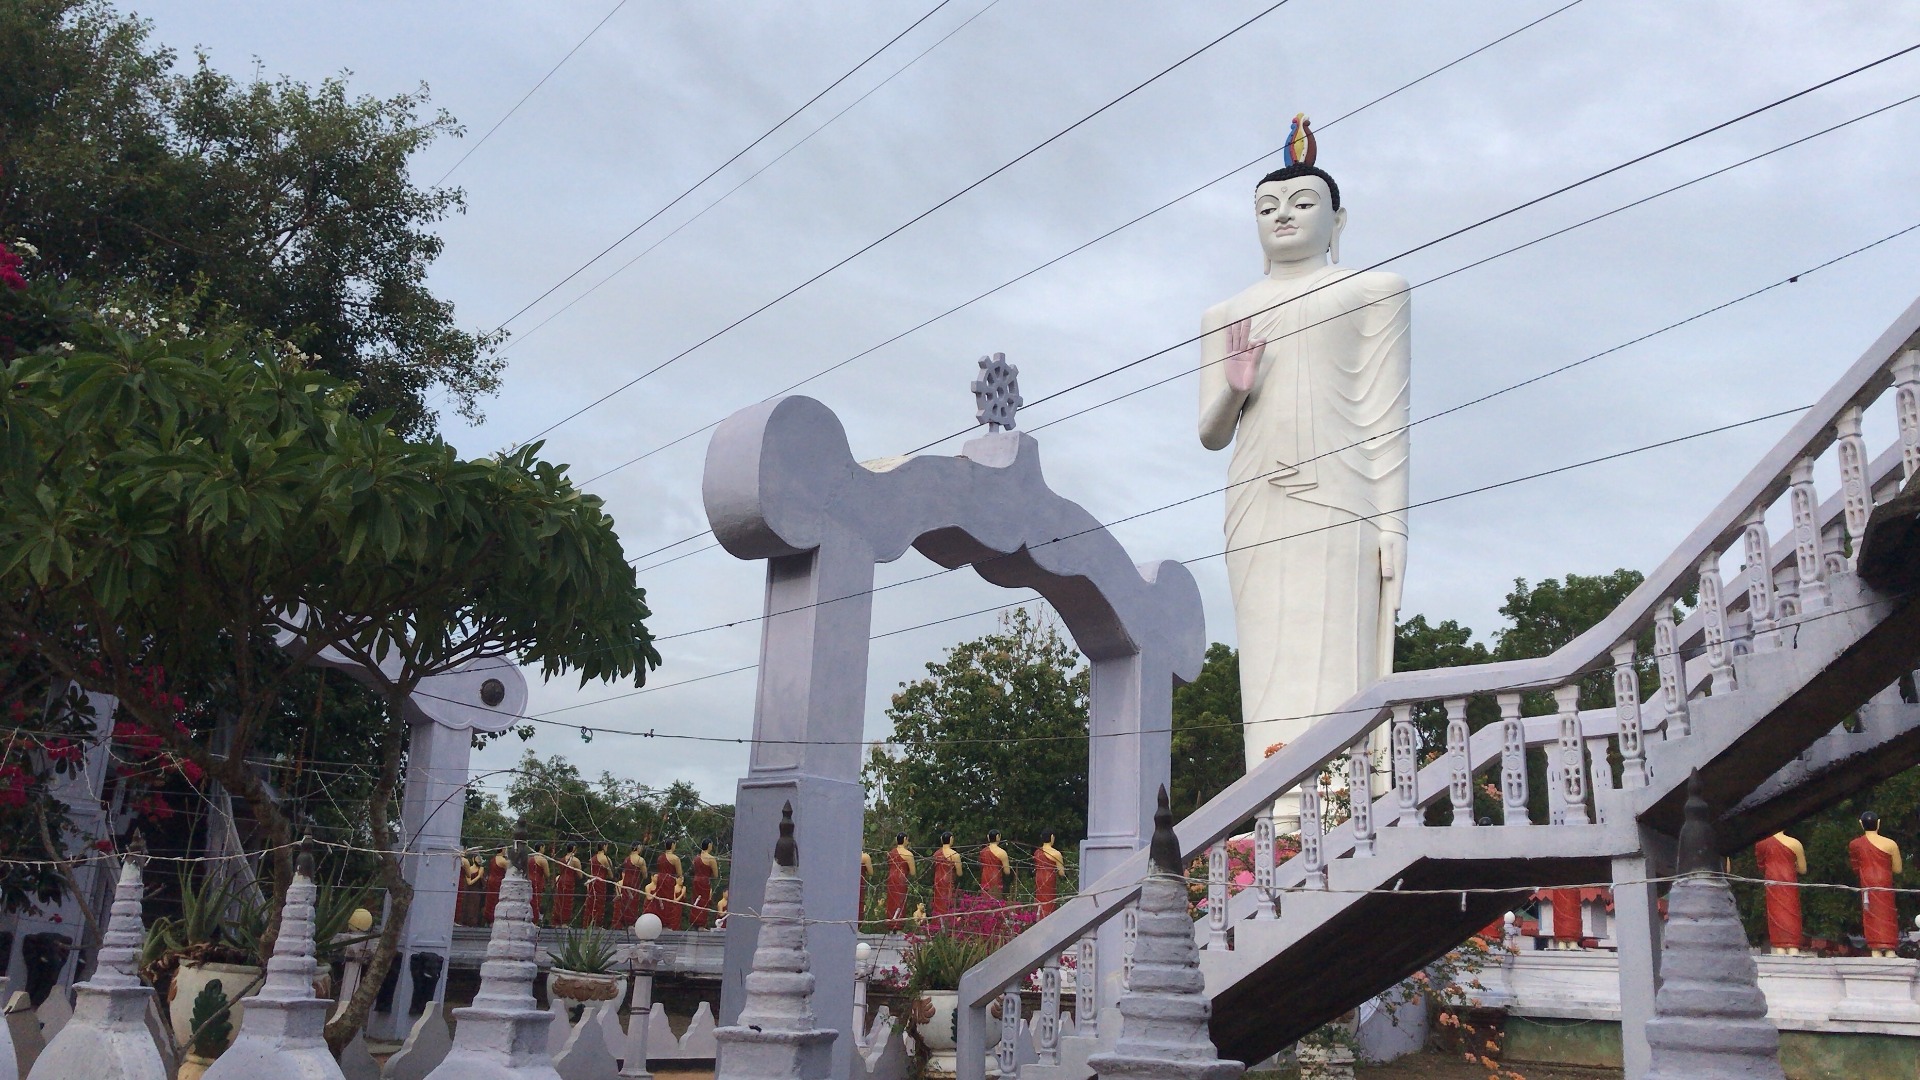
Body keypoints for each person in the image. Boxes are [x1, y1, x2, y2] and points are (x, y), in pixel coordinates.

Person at [1197, 115, 1409, 829]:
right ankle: (1274, 820)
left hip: (1341, 496)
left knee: (1333, 657)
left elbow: (1388, 417)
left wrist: (1393, 524)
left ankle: (1342, 811)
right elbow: (1210, 432)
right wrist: (1234, 381)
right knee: (1267, 663)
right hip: (1256, 499)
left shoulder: (1374, 291)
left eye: (1301, 203)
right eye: (1266, 208)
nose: (1282, 216)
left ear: (1337, 218)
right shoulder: (1225, 312)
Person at [1849, 811, 1903, 956]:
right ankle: (1890, 949)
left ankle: (1875, 950)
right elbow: (1897, 869)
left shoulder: (1855, 844)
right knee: (1887, 914)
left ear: (1861, 824)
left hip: (1867, 882)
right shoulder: (1890, 844)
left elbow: (1855, 867)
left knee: (1871, 914)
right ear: (1878, 823)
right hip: (1884, 881)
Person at [1754, 831, 1807, 955]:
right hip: (1789, 881)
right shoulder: (1795, 843)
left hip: (1772, 880)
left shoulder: (1761, 844)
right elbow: (1802, 869)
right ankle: (1793, 948)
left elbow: (1761, 866)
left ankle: (1780, 949)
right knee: (1791, 913)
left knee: (1776, 914)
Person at [688, 839, 719, 929]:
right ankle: (701, 924)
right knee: (703, 902)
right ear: (709, 845)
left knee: (696, 901)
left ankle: (694, 922)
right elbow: (716, 874)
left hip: (696, 880)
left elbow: (694, 869)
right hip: (705, 881)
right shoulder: (711, 858)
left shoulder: (696, 858)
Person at [614, 843, 647, 928]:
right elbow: (645, 875)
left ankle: (624, 922)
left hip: (626, 882)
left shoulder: (626, 859)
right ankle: (631, 922)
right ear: (637, 848)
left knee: (625, 902)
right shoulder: (640, 860)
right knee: (633, 903)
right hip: (634, 882)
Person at [886, 833, 915, 928]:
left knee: (892, 901)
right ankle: (897, 925)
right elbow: (913, 872)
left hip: (891, 878)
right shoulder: (908, 854)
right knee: (900, 901)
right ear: (905, 839)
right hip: (901, 878)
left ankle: (891, 923)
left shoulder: (890, 853)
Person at [932, 832, 962, 919]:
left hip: (938, 880)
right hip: (948, 880)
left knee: (939, 902)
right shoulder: (955, 854)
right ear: (951, 839)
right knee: (948, 901)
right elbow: (959, 873)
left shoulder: (936, 854)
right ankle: (947, 922)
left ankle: (937, 923)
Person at [1034, 832, 1065, 916]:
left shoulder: (1037, 852)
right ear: (1051, 837)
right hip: (1049, 878)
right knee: (1049, 901)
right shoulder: (1056, 853)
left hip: (1039, 877)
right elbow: (1061, 872)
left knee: (1039, 900)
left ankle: (1039, 916)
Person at [584, 843, 613, 927]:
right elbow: (610, 875)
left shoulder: (592, 859)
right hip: (600, 882)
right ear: (604, 847)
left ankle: (588, 923)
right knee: (599, 902)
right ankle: (597, 924)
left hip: (592, 882)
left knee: (591, 902)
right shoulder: (605, 859)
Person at [552, 844, 581, 926]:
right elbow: (580, 875)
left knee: (560, 901)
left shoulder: (562, 859)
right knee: (567, 901)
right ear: (574, 849)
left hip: (561, 880)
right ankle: (564, 922)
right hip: (569, 881)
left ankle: (557, 921)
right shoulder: (575, 860)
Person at [980, 831, 1011, 900]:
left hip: (985, 876)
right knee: (996, 899)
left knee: (985, 900)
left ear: (988, 837)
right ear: (998, 837)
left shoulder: (983, 851)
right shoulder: (1002, 853)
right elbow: (1007, 871)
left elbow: (981, 865)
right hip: (995, 876)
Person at [481, 847, 508, 924]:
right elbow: (509, 872)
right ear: (502, 849)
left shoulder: (493, 859)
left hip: (491, 880)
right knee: (496, 899)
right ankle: (494, 918)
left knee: (490, 900)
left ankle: (488, 918)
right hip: (498, 881)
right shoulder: (503, 861)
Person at [526, 843, 551, 926]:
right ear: (541, 848)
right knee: (536, 901)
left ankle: (528, 918)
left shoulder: (529, 859)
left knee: (529, 900)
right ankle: (534, 921)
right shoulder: (542, 860)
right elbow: (547, 874)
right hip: (537, 881)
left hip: (528, 881)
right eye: (544, 847)